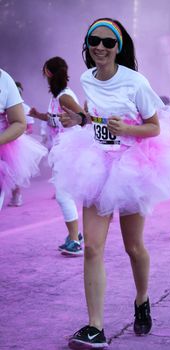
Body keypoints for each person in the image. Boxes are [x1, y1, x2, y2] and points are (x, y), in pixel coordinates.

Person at [50, 18, 170, 349]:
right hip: (96, 162)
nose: (100, 47)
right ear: (87, 44)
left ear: (119, 47)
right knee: (91, 247)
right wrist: (81, 118)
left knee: (133, 247)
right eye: (94, 40)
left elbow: (154, 127)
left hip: (134, 166)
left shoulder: (136, 82)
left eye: (108, 41)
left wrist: (127, 130)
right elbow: (96, 116)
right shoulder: (87, 78)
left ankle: (142, 298)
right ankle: (95, 327)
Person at [29, 56, 86, 256]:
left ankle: (75, 241)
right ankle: (75, 236)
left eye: (44, 71)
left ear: (49, 73)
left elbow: (84, 118)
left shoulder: (64, 97)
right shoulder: (57, 96)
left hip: (69, 149)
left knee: (63, 195)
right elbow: (54, 119)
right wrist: (38, 115)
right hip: (61, 148)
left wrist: (78, 120)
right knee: (65, 194)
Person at [0, 69, 47, 209]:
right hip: (11, 140)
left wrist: (19, 133)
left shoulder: (5, 81)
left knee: (13, 176)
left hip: (11, 142)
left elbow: (24, 125)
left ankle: (17, 195)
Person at [7, 81, 36, 207]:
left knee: (13, 170)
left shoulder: (25, 108)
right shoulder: (5, 105)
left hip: (18, 141)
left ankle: (16, 194)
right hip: (5, 138)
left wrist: (20, 131)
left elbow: (30, 127)